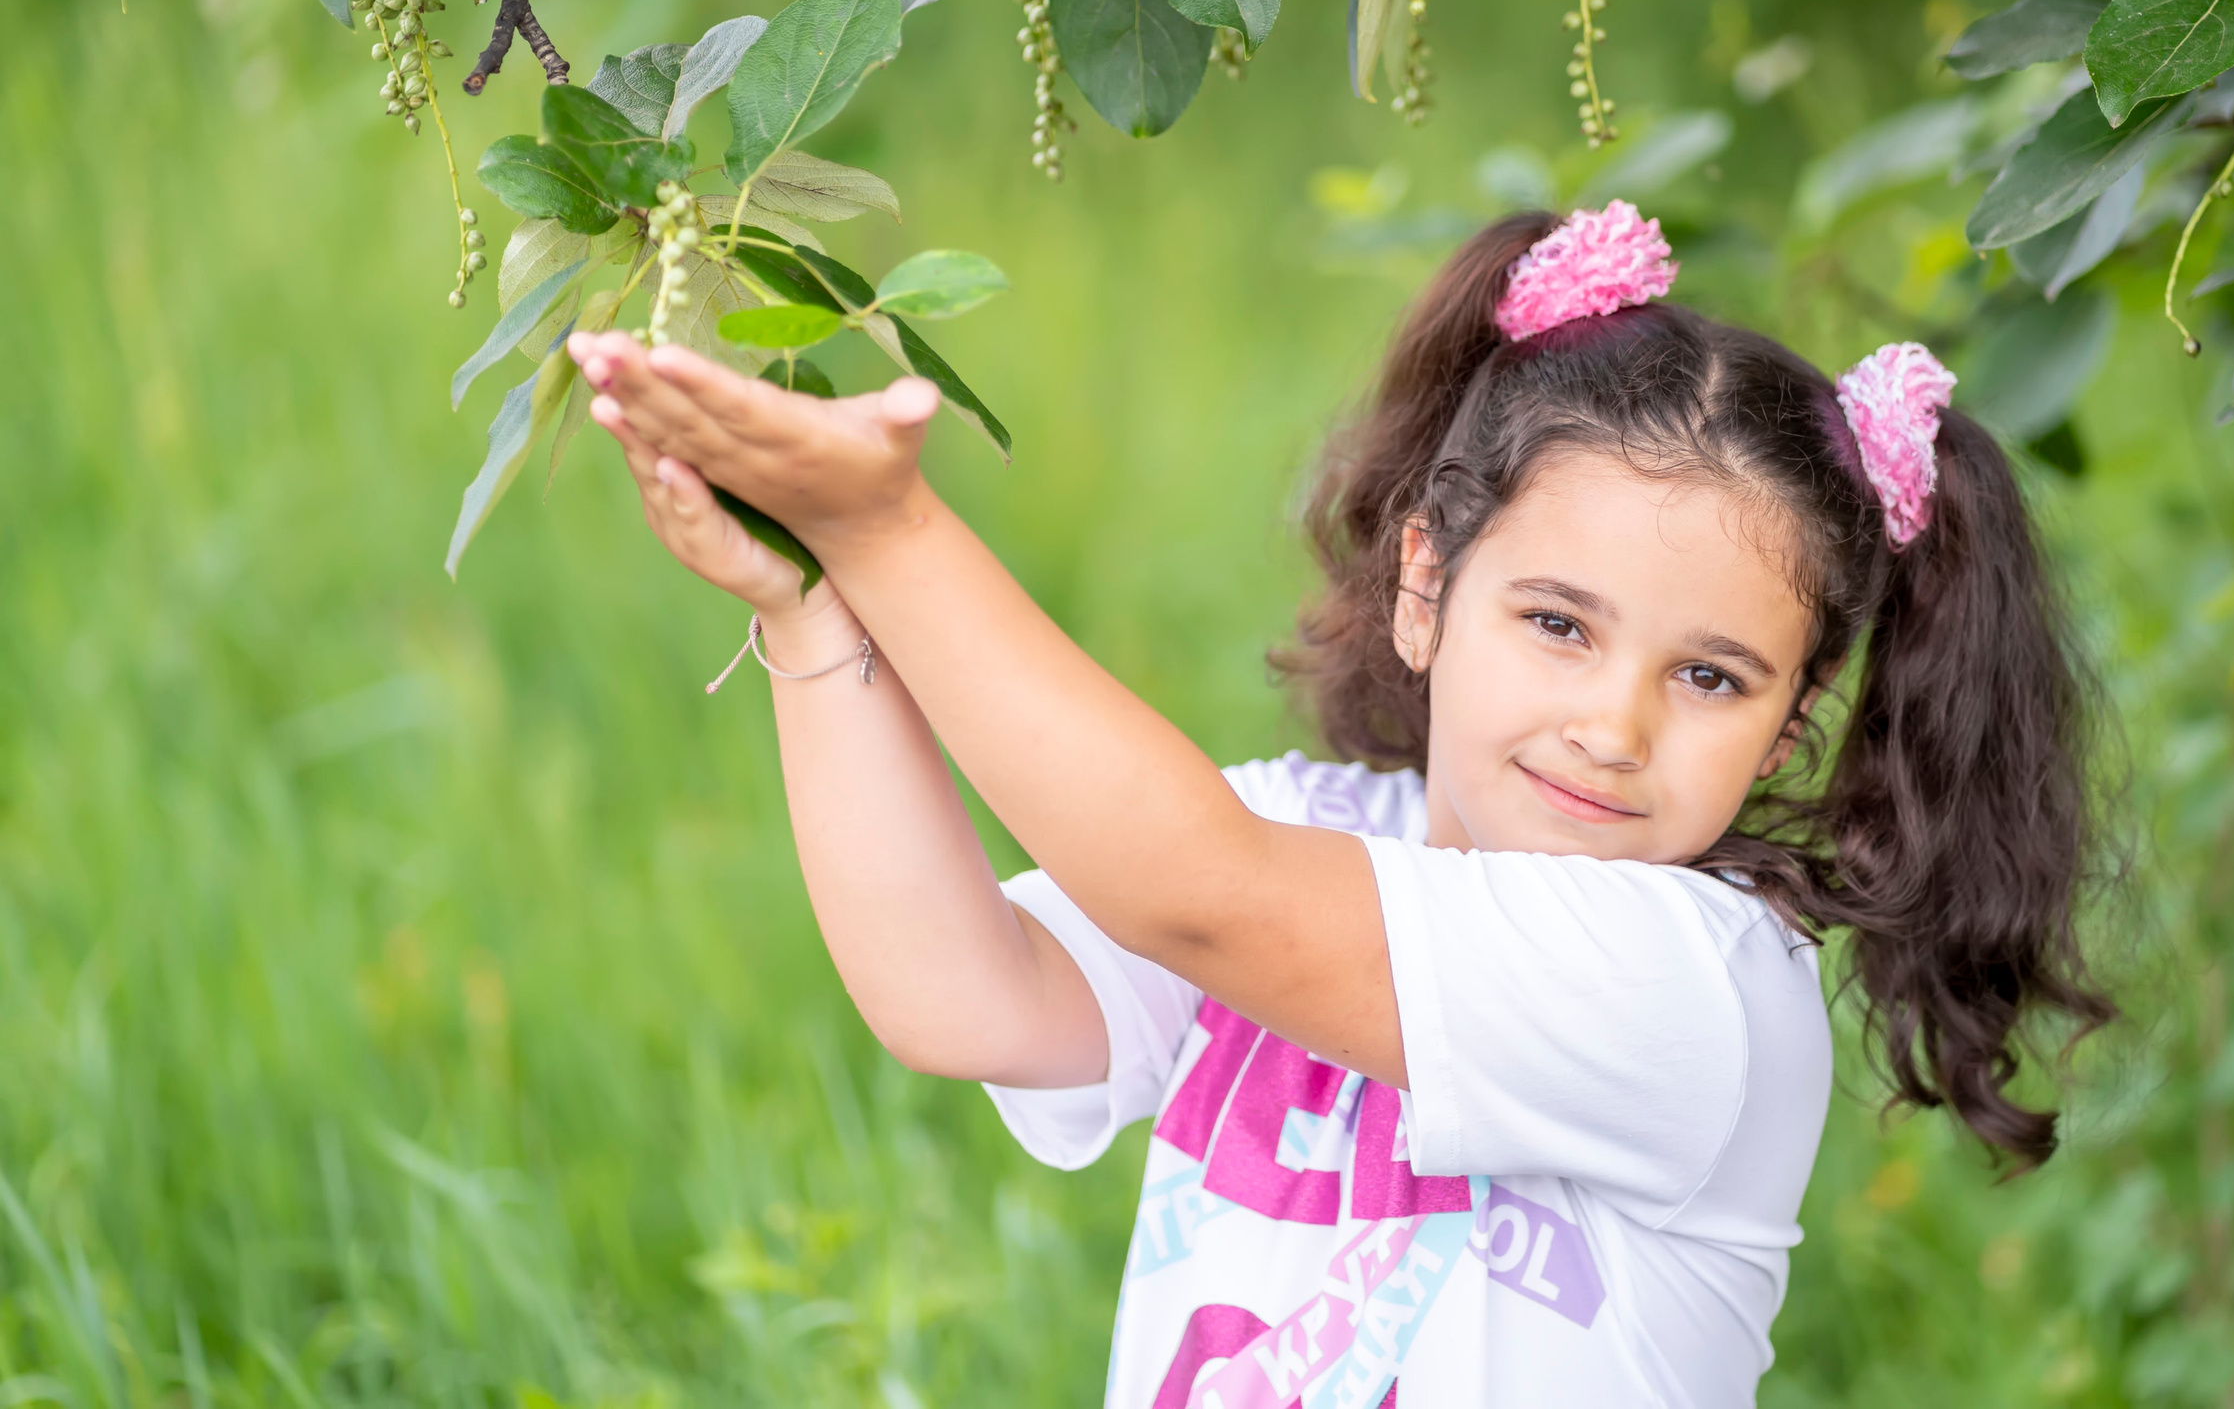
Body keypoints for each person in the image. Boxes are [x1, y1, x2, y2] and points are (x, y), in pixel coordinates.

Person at [565, 201, 2113, 1408]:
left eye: (1711, 678)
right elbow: (963, 998)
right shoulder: (1316, 832)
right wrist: (816, 610)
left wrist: (893, 530)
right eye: (1558, 624)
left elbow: (1196, 887)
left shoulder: (1695, 987)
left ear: (1786, 731)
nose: (1614, 725)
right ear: (1428, 590)